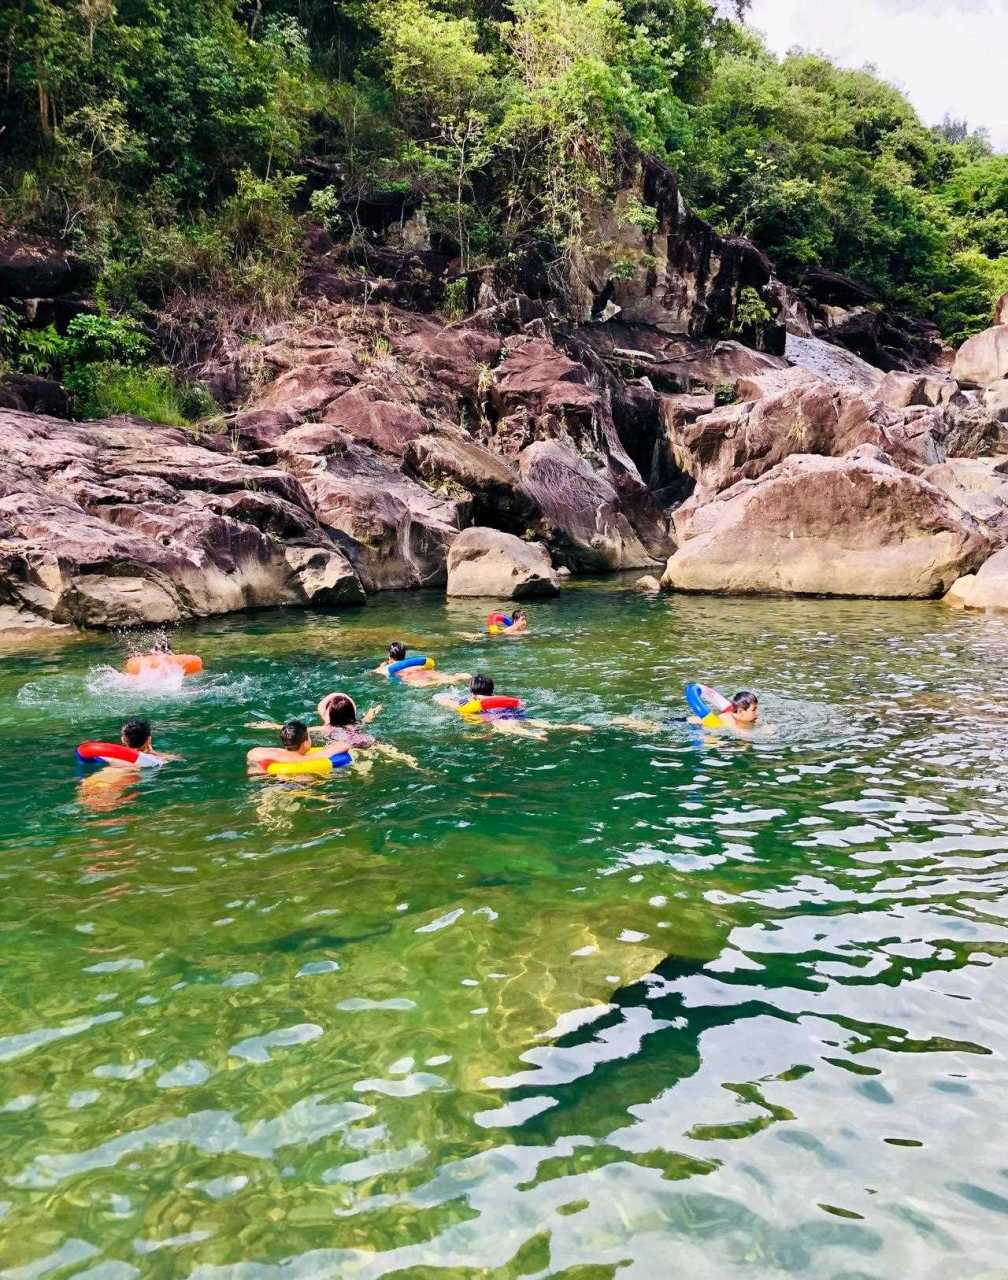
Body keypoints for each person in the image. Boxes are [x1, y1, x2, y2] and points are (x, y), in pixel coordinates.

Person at [247, 694, 420, 769]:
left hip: (350, 747)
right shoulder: (357, 723)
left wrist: (273, 725)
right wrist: (371, 713)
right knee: (393, 753)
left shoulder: (327, 728)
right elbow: (364, 722)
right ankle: (414, 763)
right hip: (367, 740)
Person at [435, 675, 591, 739]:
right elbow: (520, 703)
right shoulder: (502, 699)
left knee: (506, 727)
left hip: (495, 717)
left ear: (471, 691)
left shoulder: (469, 701)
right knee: (544, 724)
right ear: (492, 690)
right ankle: (572, 726)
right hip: (514, 713)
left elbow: (440, 698)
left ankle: (536, 736)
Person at [373, 642, 469, 688]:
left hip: (409, 676)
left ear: (390, 656)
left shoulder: (386, 668)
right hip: (421, 670)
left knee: (420, 684)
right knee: (442, 677)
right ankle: (457, 677)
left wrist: (381, 666)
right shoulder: (415, 664)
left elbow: (374, 672)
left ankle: (443, 682)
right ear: (404, 654)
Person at [247, 719, 313, 774]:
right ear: (306, 743)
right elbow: (322, 755)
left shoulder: (276, 753)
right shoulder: (301, 759)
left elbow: (251, 753)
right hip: (289, 783)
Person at [687, 690, 760, 730]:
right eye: (754, 710)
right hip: (689, 724)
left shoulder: (745, 718)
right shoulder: (729, 721)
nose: (757, 713)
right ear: (740, 712)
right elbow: (745, 736)